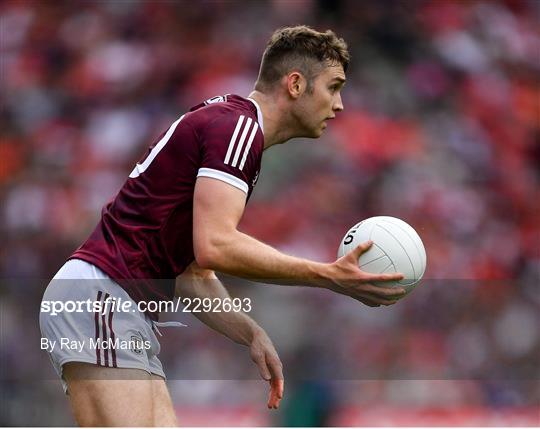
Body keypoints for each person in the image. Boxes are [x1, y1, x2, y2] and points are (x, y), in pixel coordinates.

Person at [40, 25, 405, 426]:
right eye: (333, 87)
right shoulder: (239, 128)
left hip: (116, 304)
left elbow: (191, 270)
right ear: (296, 84)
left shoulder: (232, 126)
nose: (339, 105)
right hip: (102, 295)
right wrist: (325, 275)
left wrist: (248, 331)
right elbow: (216, 246)